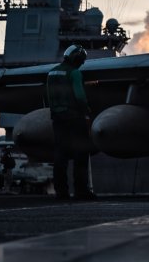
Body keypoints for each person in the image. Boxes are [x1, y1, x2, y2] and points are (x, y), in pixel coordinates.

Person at [46, 44, 95, 200]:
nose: (82, 63)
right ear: (77, 59)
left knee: (60, 156)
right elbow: (79, 96)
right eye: (82, 60)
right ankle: (82, 191)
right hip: (75, 118)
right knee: (81, 155)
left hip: (58, 119)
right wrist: (87, 111)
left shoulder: (52, 72)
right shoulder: (74, 73)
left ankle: (61, 192)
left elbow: (47, 95)